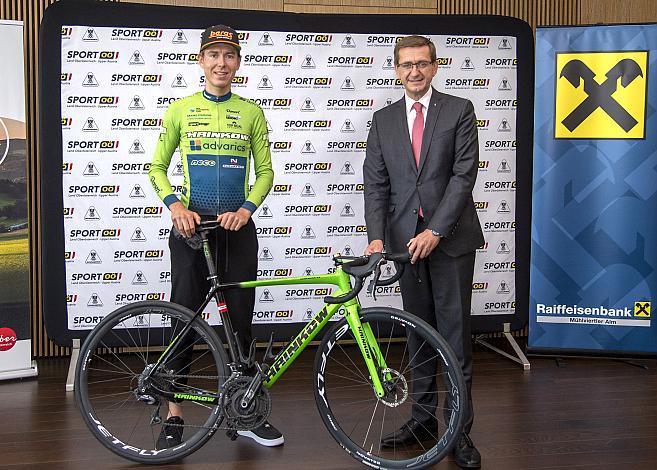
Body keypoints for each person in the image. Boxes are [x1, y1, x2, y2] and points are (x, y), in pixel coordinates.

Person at [148, 25, 281, 449]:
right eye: (213, 55)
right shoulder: (181, 110)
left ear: (237, 62)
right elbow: (155, 167)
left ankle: (244, 412)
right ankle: (173, 413)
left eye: (229, 55)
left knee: (240, 322)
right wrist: (176, 206)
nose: (221, 63)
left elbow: (266, 172)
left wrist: (246, 210)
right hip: (193, 229)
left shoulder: (251, 112)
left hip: (237, 229)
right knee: (184, 318)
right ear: (201, 60)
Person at [363, 35, 484, 468]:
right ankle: (421, 420)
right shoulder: (382, 120)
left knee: (453, 338)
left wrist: (435, 229)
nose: (414, 71)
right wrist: (376, 237)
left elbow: (462, 177)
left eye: (422, 63)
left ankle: (458, 431)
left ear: (435, 67)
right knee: (417, 336)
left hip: (449, 242)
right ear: (396, 70)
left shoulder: (459, 111)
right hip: (402, 246)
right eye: (406, 64)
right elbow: (376, 185)